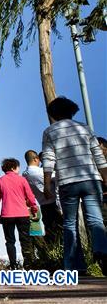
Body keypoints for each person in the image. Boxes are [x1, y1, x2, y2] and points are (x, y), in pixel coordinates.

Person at [40, 97, 107, 273]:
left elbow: (48, 159)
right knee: (96, 219)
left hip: (67, 183)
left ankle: (74, 266)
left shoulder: (50, 132)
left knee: (70, 223)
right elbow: (98, 155)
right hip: (91, 179)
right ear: (72, 111)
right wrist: (105, 177)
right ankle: (101, 250)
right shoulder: (84, 127)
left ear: (53, 114)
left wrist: (47, 184)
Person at [0, 158, 38, 269]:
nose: (19, 169)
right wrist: (34, 209)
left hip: (7, 215)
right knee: (25, 239)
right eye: (18, 167)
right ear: (13, 167)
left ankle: (13, 265)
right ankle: (28, 264)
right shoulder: (22, 180)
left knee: (10, 241)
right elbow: (30, 196)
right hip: (23, 214)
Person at [22, 149, 62, 244]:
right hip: (54, 204)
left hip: (43, 205)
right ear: (36, 159)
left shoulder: (24, 175)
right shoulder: (40, 172)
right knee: (61, 230)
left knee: (50, 232)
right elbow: (59, 177)